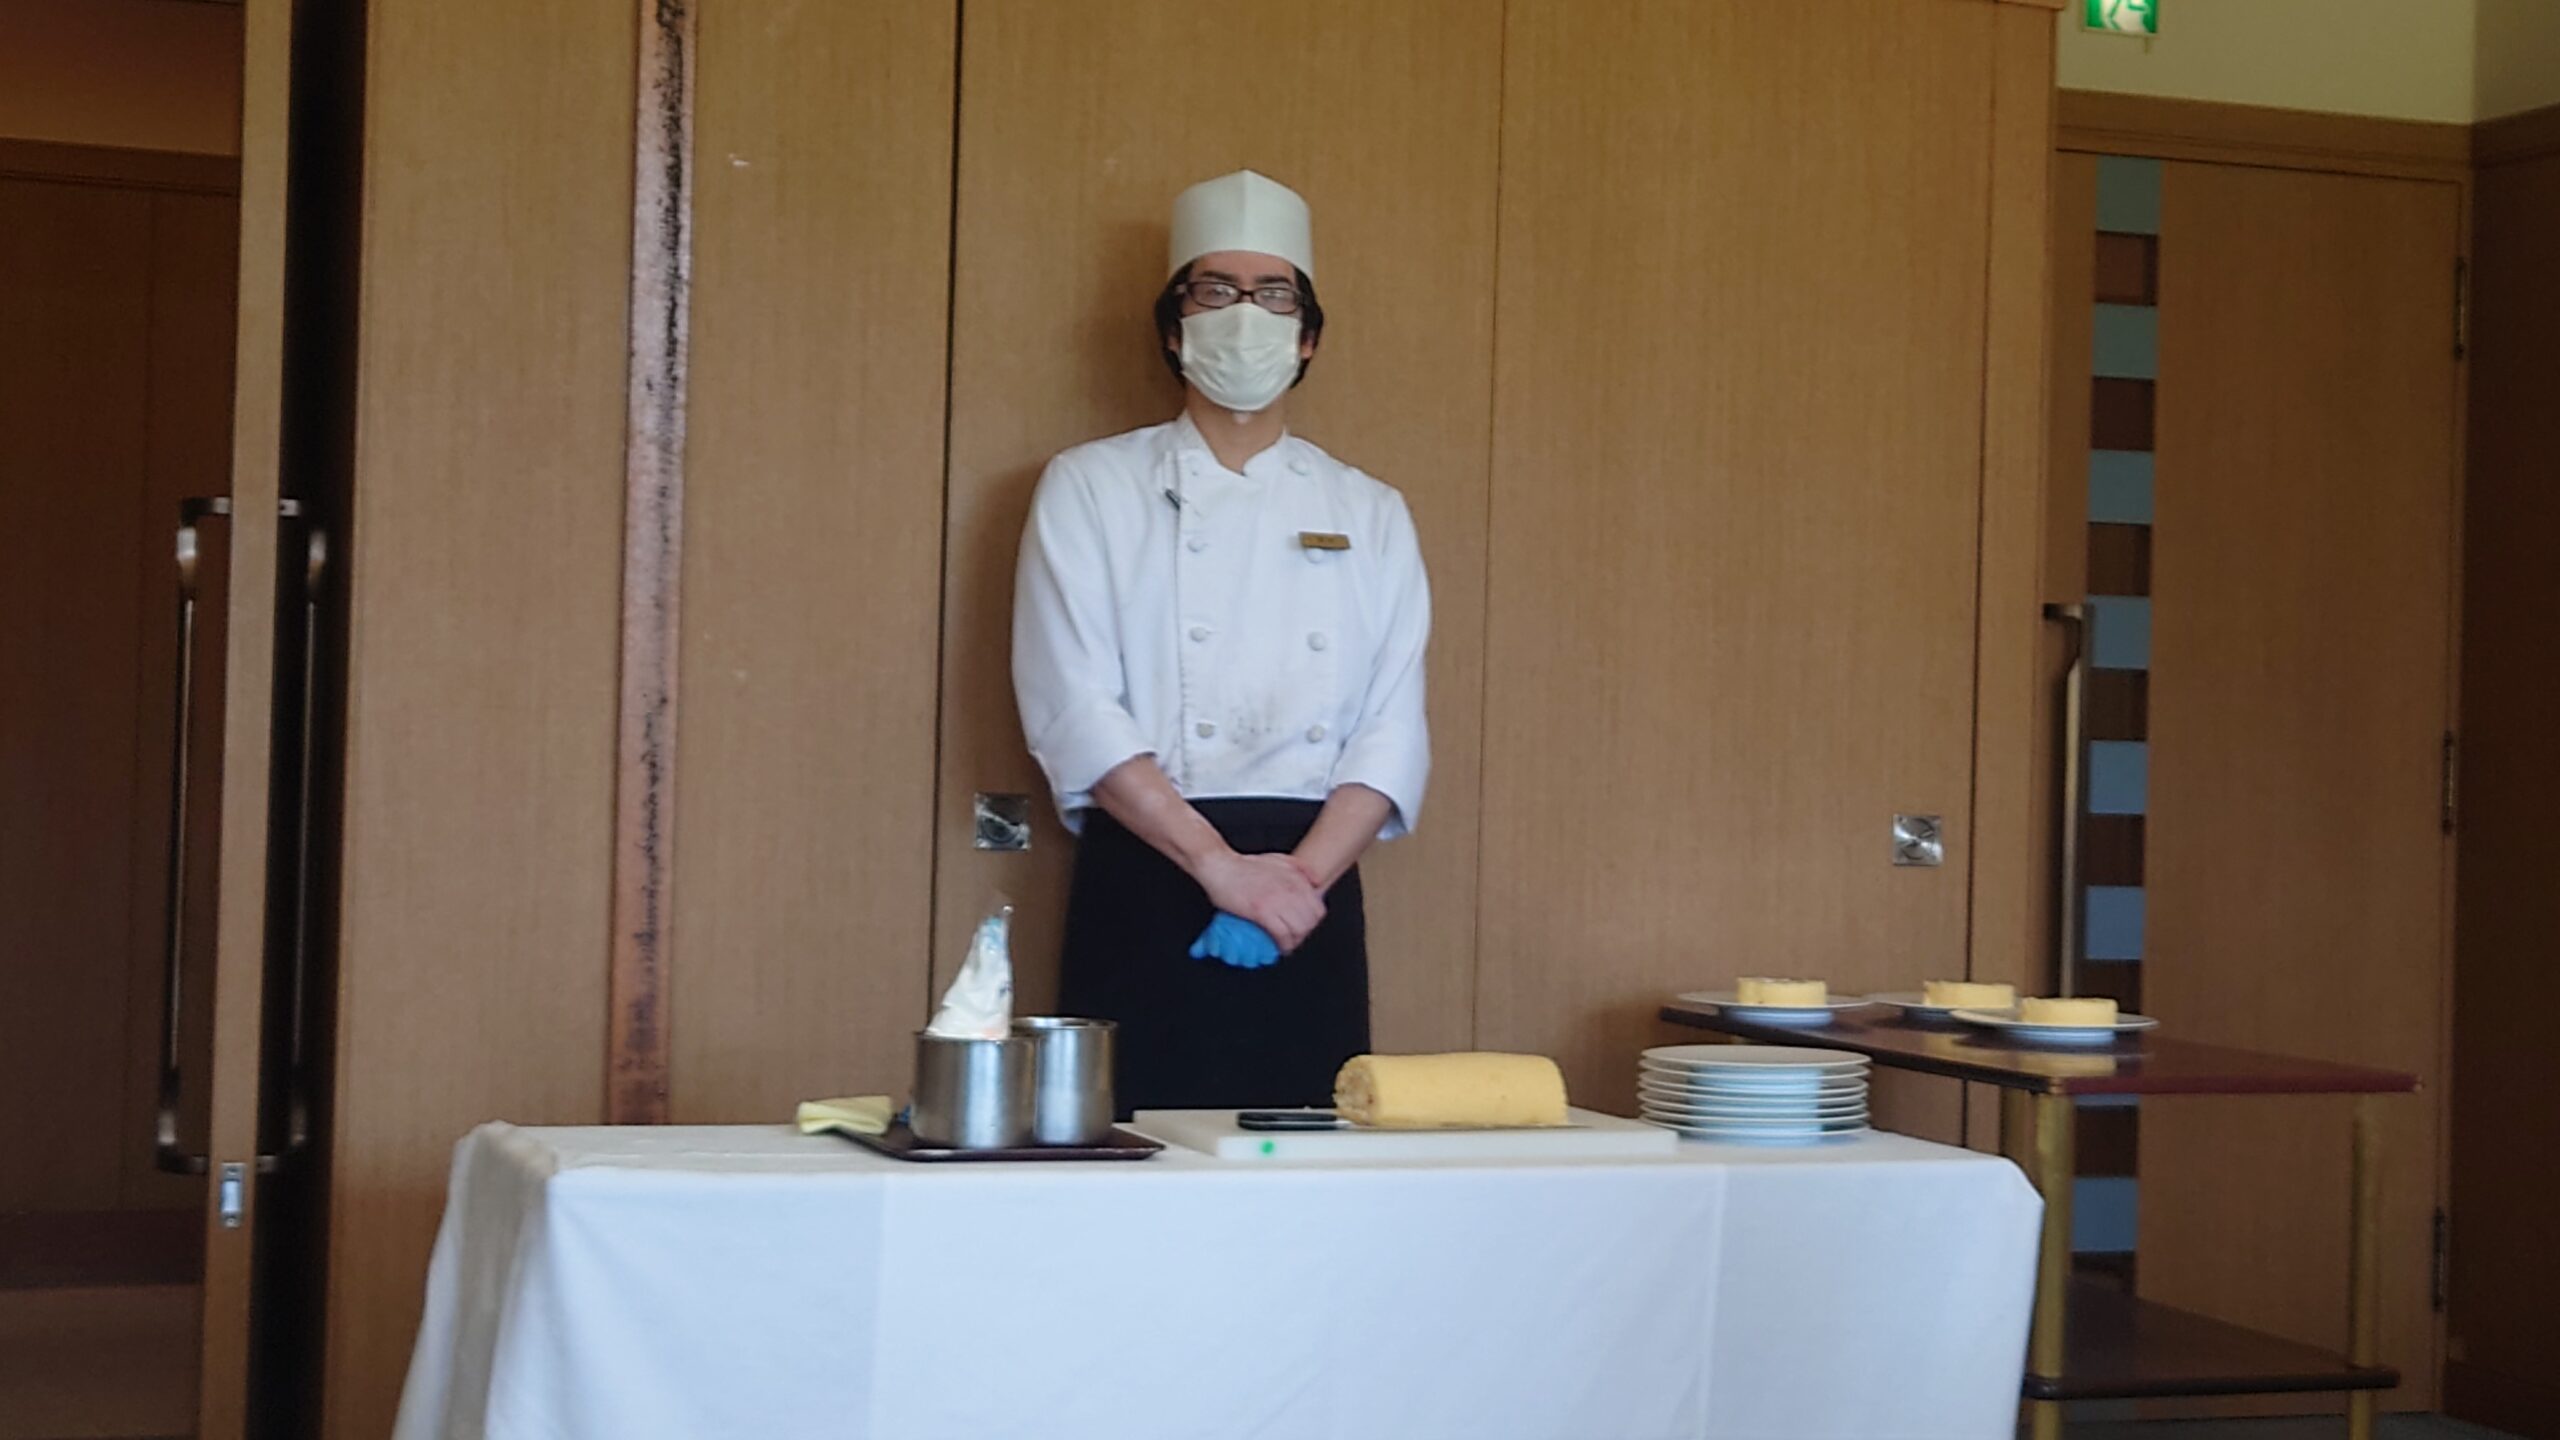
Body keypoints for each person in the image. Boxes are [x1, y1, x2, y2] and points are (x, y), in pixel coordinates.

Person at [1011, 169, 1431, 1112]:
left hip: (1309, 885)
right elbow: (1073, 705)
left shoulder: (1370, 509)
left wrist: (1293, 884)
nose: (1246, 315)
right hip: (1151, 862)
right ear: (1174, 327)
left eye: (1274, 294)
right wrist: (1216, 867)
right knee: (1134, 1149)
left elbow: (1392, 728)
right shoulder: (1090, 486)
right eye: (1216, 291)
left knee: (1304, 1149)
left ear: (1308, 335)